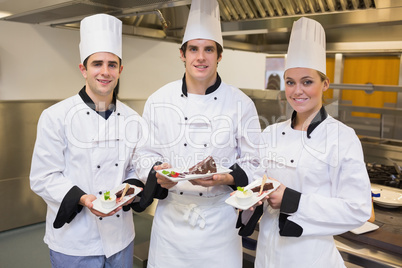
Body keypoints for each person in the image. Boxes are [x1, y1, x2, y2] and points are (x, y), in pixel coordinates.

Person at [134, 0, 261, 267]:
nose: (200, 57)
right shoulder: (159, 100)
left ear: (219, 55)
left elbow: (256, 164)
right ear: (182, 54)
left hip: (220, 224)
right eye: (193, 49)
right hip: (170, 225)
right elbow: (143, 155)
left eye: (208, 49)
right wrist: (159, 173)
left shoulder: (241, 103)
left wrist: (227, 177)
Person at [239, 17, 372, 267]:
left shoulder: (342, 138)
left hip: (311, 258)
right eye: (290, 82)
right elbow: (258, 181)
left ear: (325, 84)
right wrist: (250, 197)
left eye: (307, 82)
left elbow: (358, 209)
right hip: (267, 254)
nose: (297, 91)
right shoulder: (271, 133)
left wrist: (292, 200)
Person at [30, 14, 145, 267]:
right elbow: (43, 177)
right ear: (83, 69)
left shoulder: (133, 119)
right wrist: (83, 199)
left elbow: (138, 168)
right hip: (75, 242)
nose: (105, 72)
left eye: (112, 65)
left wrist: (128, 189)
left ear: (120, 70)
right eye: (97, 64)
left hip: (121, 239)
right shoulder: (55, 116)